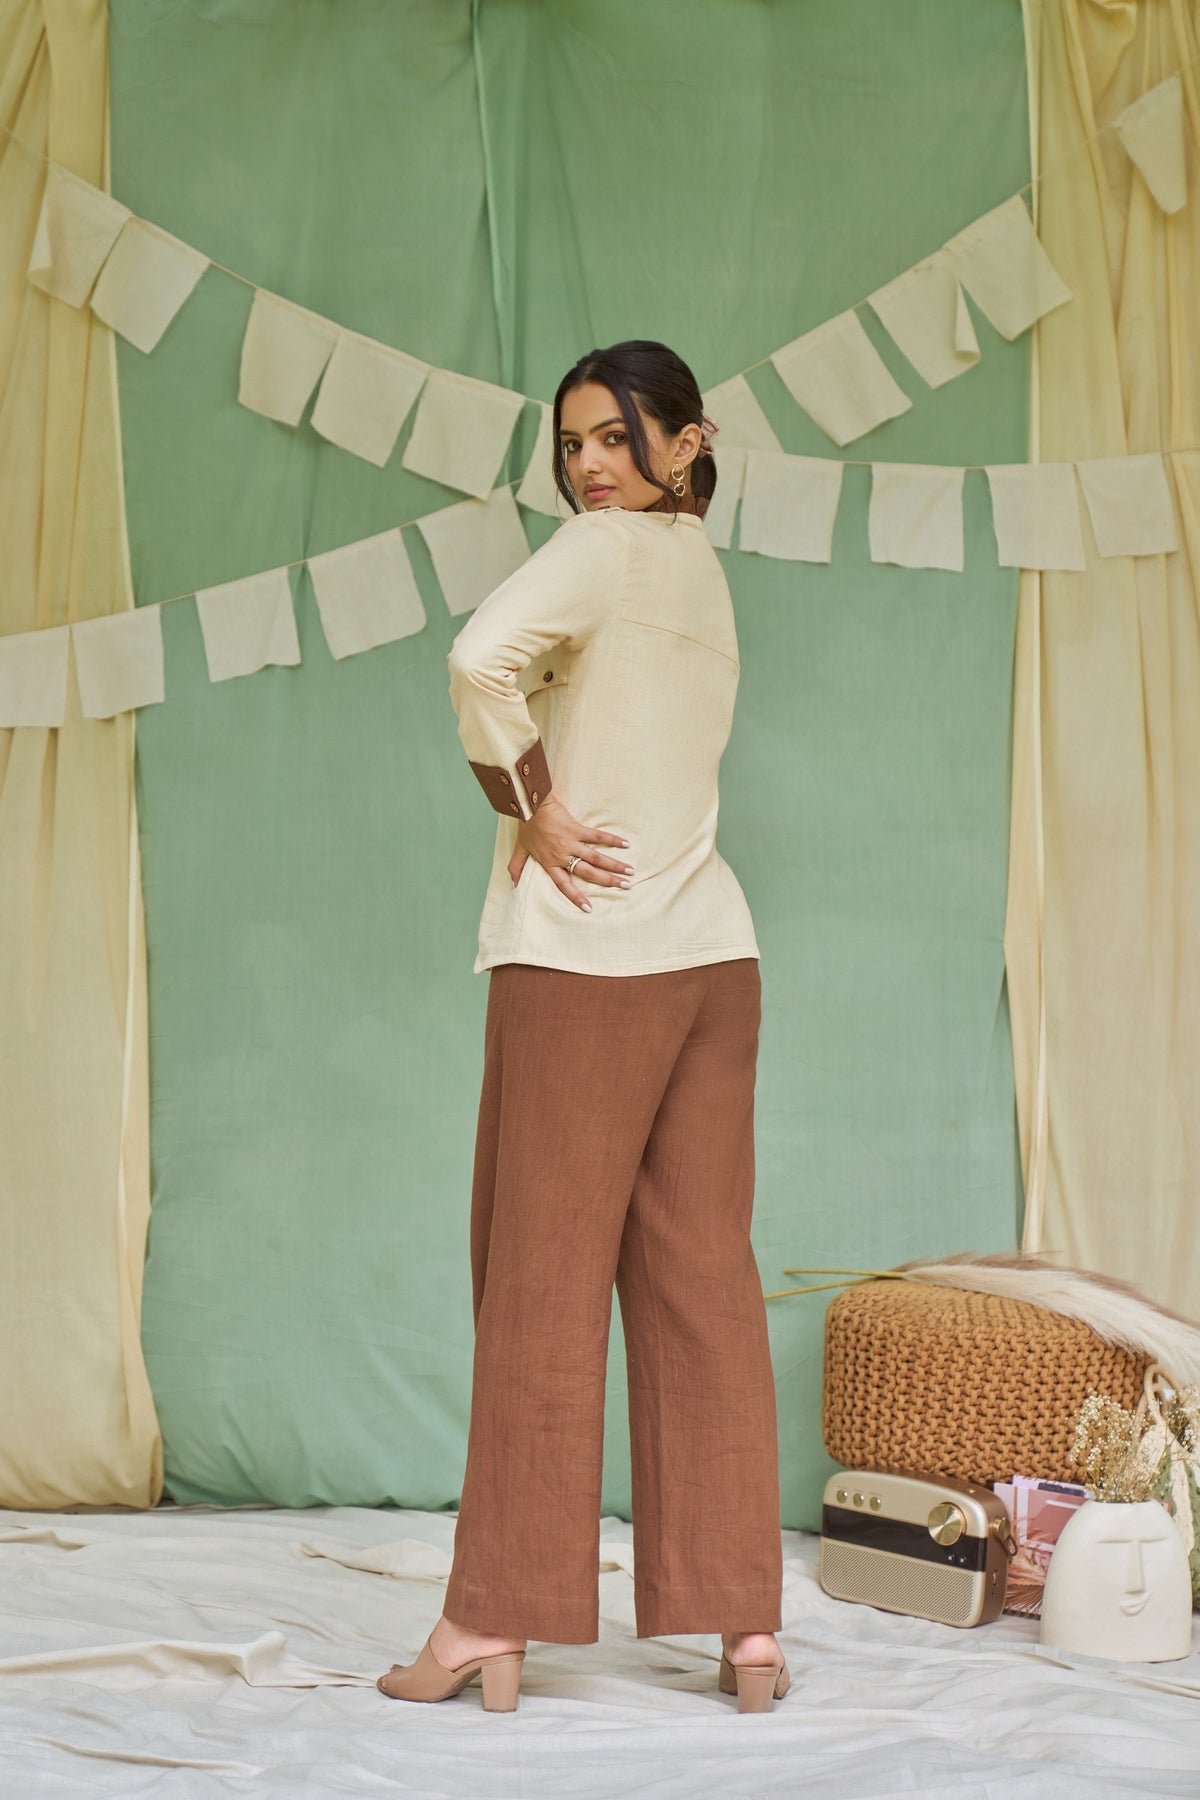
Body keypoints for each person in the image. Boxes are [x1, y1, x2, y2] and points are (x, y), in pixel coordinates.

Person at [377, 340, 787, 1714]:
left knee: (539, 1288)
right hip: (715, 959)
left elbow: (476, 657)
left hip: (587, 961)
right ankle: (744, 1626)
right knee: (703, 1284)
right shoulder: (704, 577)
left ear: (689, 442)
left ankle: (490, 1620)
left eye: (618, 436)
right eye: (572, 445)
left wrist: (531, 805)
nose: (592, 467)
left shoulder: (602, 554)